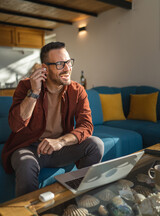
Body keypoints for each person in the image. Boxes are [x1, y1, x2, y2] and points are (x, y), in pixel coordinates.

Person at [2, 42, 104, 197]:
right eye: (59, 64)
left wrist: (61, 142)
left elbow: (86, 126)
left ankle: (79, 197)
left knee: (96, 144)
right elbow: (16, 126)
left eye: (69, 62)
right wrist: (34, 92)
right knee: (26, 164)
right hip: (29, 148)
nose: (67, 68)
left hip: (59, 148)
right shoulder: (25, 86)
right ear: (45, 68)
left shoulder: (77, 91)